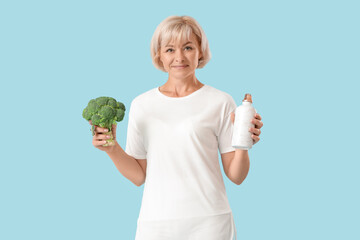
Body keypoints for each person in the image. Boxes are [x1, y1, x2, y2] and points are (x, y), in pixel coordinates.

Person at [90, 15, 263, 240]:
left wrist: (244, 140)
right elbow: (139, 176)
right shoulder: (142, 105)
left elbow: (237, 176)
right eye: (170, 49)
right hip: (156, 224)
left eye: (188, 47)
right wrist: (112, 149)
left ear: (200, 51)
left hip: (210, 223)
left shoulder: (220, 101)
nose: (179, 57)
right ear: (159, 55)